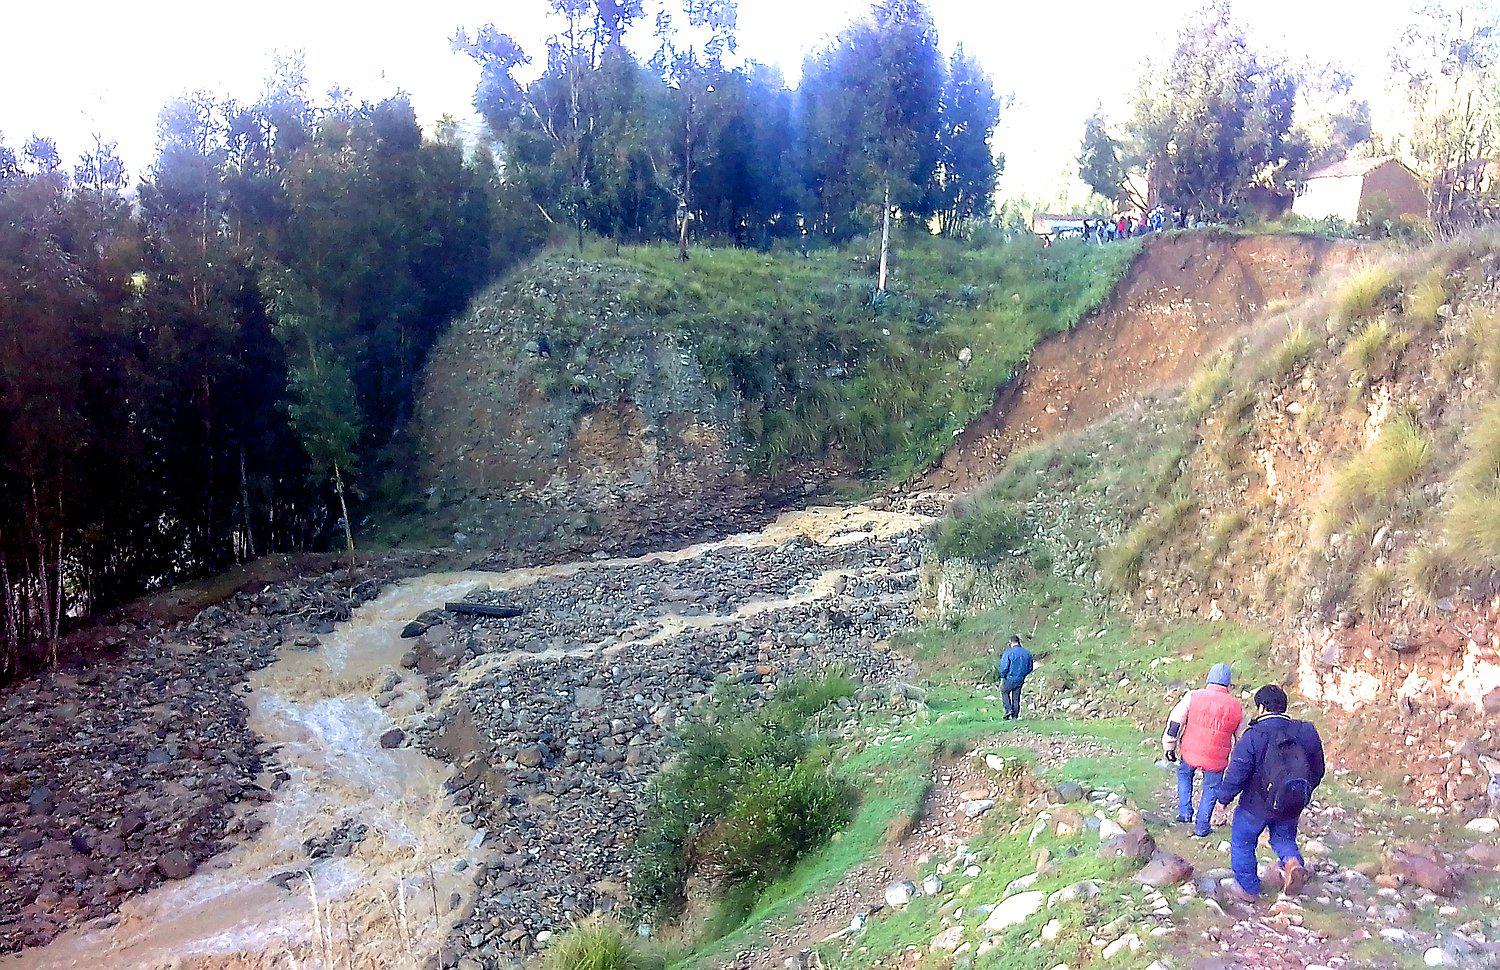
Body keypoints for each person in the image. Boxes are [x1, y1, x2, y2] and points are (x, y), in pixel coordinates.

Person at [1214, 685, 1326, 902]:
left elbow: (1238, 771)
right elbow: (1318, 768)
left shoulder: (1253, 735)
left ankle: (1248, 888)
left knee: (1243, 841)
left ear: (1262, 708)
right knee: (1283, 838)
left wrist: (1223, 799)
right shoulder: (1306, 731)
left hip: (1255, 804)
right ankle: (1292, 864)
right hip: (1291, 800)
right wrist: (1303, 791)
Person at [1162, 664, 1244, 837]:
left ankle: (1184, 812)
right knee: (1211, 788)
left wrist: (1170, 746)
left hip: (1190, 750)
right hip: (1217, 758)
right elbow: (1242, 737)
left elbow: (1175, 722)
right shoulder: (1237, 706)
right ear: (1228, 684)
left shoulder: (1193, 696)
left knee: (1184, 775)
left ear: (1208, 678)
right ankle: (1201, 826)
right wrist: (1237, 762)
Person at [996, 634, 1034, 720]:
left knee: (1004, 692)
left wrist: (1002, 676)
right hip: (1020, 679)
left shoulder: (1008, 653)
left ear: (1011, 643)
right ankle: (1015, 716)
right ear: (1019, 642)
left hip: (1009, 678)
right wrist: (1023, 675)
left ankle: (1008, 709)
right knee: (1016, 697)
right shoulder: (1027, 653)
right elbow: (1030, 668)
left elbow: (1004, 667)